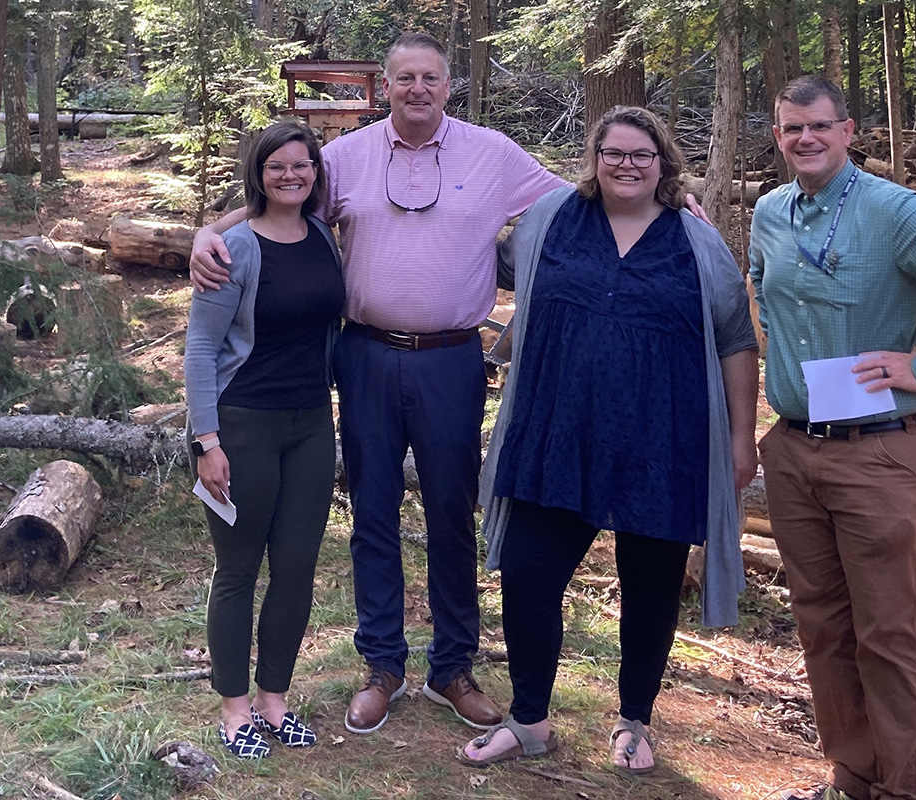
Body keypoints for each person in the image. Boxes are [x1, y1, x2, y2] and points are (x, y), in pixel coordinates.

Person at [189, 32, 573, 735]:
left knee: (452, 513)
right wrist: (205, 233)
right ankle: (382, 664)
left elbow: (578, 200)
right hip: (362, 355)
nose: (417, 89)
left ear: (448, 86)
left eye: (430, 77)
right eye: (404, 79)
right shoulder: (345, 158)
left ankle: (451, 667)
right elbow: (281, 192)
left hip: (455, 358)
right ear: (384, 87)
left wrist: (675, 201)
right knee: (372, 509)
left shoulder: (492, 154)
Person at [458, 106, 759, 775]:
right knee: (531, 577)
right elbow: (480, 247)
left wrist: (743, 438)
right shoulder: (551, 220)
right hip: (557, 433)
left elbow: (737, 338)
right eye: (614, 153)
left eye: (641, 155)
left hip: (663, 440)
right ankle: (529, 719)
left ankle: (634, 722)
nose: (626, 165)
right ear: (594, 158)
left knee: (649, 587)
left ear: (663, 165)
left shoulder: (696, 241)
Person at [748, 76, 916, 800]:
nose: (804, 139)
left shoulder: (892, 209)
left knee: (890, 634)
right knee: (822, 626)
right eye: (789, 129)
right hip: (796, 449)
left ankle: (903, 789)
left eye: (818, 126)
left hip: (879, 452)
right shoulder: (771, 212)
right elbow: (761, 296)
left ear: (848, 130)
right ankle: (851, 778)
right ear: (777, 136)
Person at [184, 121, 345, 758]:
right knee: (238, 570)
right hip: (242, 424)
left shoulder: (325, 238)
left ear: (315, 174)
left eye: (301, 166)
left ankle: (275, 699)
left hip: (310, 424)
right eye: (277, 166)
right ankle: (235, 709)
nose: (290, 176)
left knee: (298, 567)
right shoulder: (234, 248)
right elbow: (199, 348)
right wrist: (206, 440)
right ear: (259, 173)